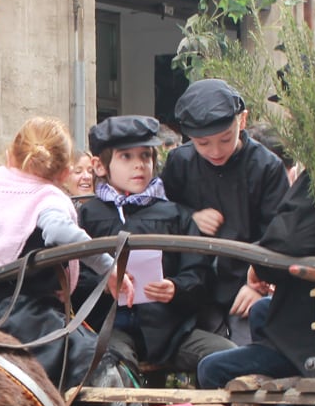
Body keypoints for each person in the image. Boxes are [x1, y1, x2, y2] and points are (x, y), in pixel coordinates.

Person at [76, 115, 229, 374]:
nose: (139, 166)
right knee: (113, 367)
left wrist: (176, 288)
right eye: (127, 157)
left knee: (227, 356)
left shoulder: (174, 215)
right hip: (110, 328)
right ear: (99, 165)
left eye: (146, 156)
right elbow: (74, 278)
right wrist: (104, 285)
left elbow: (200, 272)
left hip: (172, 331)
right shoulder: (87, 217)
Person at [0, 117, 109, 389]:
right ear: (66, 173)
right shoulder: (48, 198)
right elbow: (60, 233)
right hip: (33, 320)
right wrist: (110, 268)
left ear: (10, 156)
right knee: (100, 362)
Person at [158, 79, 291, 339]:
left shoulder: (267, 167)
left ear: (242, 121)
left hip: (245, 282)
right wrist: (190, 216)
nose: (215, 151)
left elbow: (277, 234)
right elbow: (161, 213)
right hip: (190, 284)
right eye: (203, 143)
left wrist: (258, 284)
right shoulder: (180, 161)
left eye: (225, 139)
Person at [196, 168, 315, 389]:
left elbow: (288, 240)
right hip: (307, 312)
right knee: (261, 311)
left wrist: (259, 268)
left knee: (211, 368)